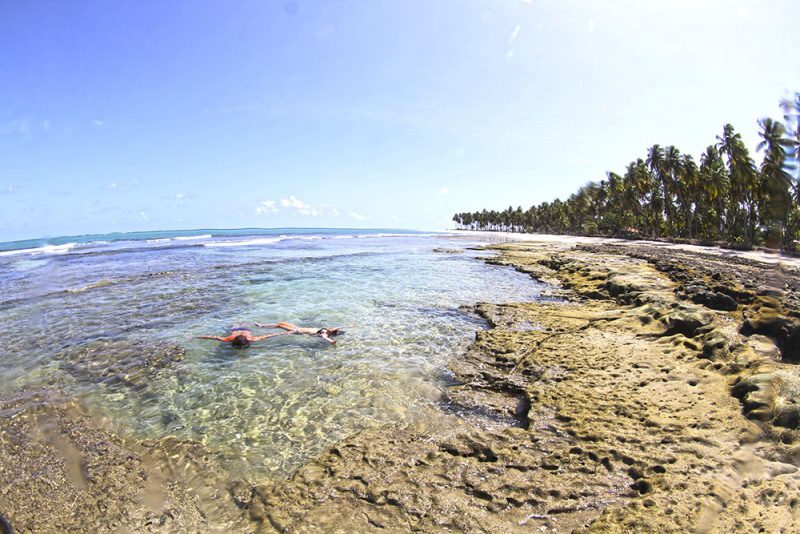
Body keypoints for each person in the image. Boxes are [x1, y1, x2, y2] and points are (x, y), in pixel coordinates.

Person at [255, 321, 346, 344]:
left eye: (332, 329)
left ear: (331, 332)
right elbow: (339, 327)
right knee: (281, 323)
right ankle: (262, 326)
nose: (330, 327)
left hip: (297, 331)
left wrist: (331, 341)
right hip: (298, 328)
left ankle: (261, 326)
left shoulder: (324, 334)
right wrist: (349, 326)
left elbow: (325, 338)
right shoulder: (327, 330)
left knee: (279, 325)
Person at [195, 327, 287, 349]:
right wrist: (196, 336)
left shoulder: (227, 339)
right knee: (236, 326)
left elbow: (212, 337)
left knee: (234, 326)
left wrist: (282, 332)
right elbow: (267, 336)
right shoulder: (228, 339)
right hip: (241, 330)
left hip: (237, 329)